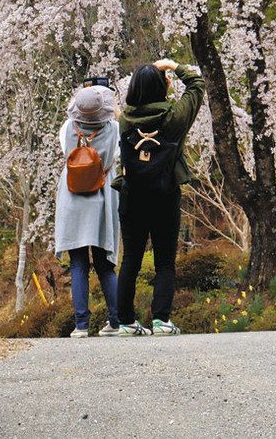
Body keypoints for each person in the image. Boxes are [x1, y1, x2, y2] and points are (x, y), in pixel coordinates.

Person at [115, 57, 204, 337]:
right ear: (161, 87)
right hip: (165, 194)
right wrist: (172, 66)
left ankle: (126, 322)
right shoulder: (173, 119)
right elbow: (197, 84)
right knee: (165, 260)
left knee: (131, 258)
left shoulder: (124, 121)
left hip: (132, 195)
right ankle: (161, 320)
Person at [55, 85, 121, 338]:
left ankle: (81, 325)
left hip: (73, 196)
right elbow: (116, 154)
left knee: (78, 263)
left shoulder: (66, 128)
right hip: (101, 194)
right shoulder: (114, 129)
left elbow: (66, 154)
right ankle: (115, 320)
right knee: (104, 264)